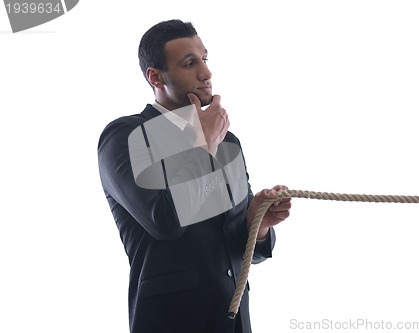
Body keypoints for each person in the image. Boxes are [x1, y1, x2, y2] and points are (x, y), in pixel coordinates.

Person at [97, 19, 292, 333]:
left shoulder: (228, 142)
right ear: (155, 76)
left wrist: (258, 223)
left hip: (234, 322)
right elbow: (165, 219)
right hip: (170, 321)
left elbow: (234, 249)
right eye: (190, 63)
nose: (206, 73)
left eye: (204, 59)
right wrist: (204, 145)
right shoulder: (126, 136)